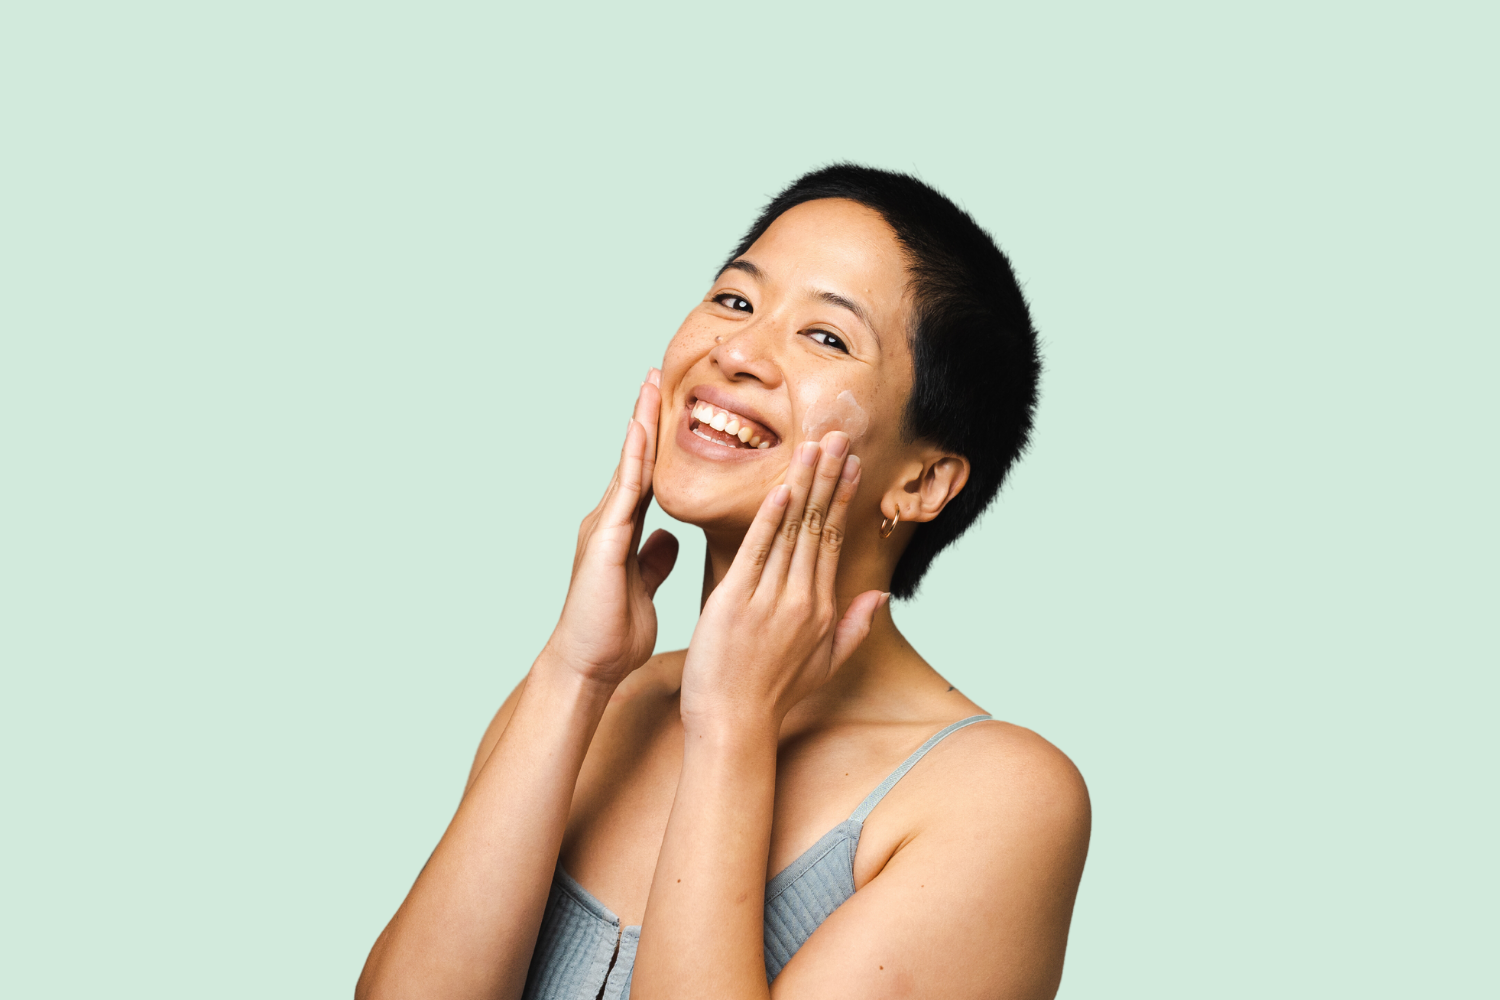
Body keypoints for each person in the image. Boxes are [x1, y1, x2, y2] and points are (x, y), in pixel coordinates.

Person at [356, 164, 1091, 1000]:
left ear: (922, 483)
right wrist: (573, 673)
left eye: (827, 337)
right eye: (735, 300)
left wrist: (734, 726)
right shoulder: (590, 702)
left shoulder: (1001, 799)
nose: (735, 352)